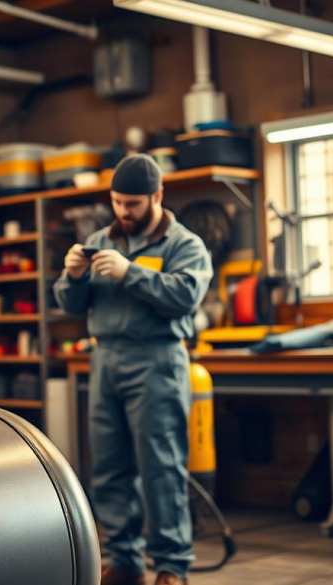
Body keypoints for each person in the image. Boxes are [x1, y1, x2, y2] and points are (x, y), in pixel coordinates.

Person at [53, 154, 213, 585]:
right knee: (108, 467)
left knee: (161, 467)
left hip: (157, 360)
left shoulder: (185, 245)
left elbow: (185, 297)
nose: (124, 212)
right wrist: (72, 278)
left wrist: (131, 273)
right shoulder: (101, 238)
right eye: (118, 202)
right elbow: (70, 304)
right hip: (106, 359)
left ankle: (171, 567)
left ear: (157, 196)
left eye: (134, 204)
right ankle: (123, 561)